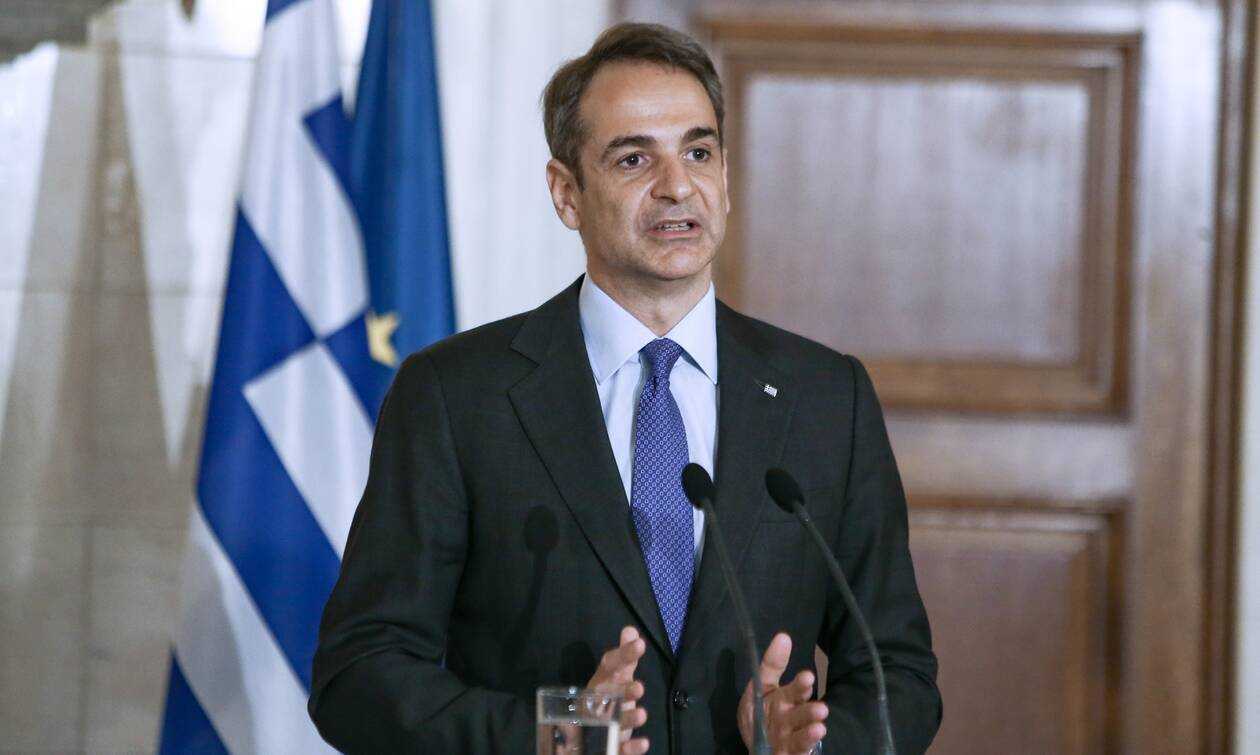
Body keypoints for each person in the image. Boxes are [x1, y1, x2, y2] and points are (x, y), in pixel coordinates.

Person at [309, 22, 941, 755]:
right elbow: (358, 673)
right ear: (566, 193)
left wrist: (818, 742)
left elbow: (899, 671)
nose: (677, 186)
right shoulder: (456, 397)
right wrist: (548, 733)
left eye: (698, 152)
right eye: (635, 158)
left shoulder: (827, 398)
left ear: (725, 177)